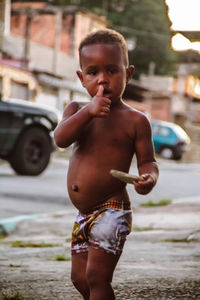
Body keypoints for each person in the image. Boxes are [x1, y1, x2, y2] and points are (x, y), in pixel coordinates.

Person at [54, 28, 159, 300]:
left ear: (129, 74)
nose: (103, 79)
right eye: (93, 72)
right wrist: (89, 112)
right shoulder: (76, 110)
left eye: (112, 70)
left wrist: (148, 179)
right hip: (84, 214)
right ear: (81, 78)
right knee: (79, 278)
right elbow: (61, 139)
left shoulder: (135, 121)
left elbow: (148, 161)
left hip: (112, 210)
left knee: (97, 276)